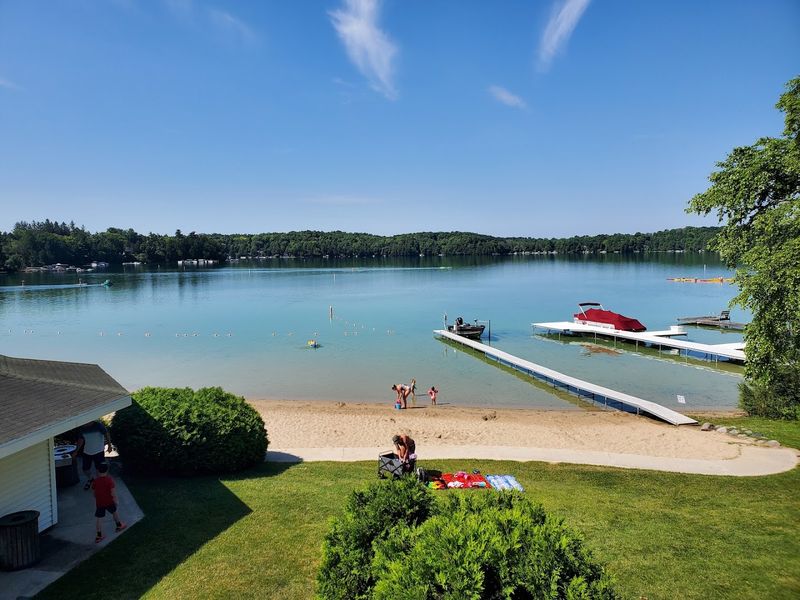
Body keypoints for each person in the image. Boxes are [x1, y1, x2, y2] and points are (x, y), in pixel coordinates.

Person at [91, 462, 126, 543]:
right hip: (109, 501)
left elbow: (93, 491)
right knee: (114, 512)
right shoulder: (109, 480)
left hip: (99, 503)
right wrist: (116, 500)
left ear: (97, 471)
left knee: (99, 518)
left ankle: (98, 535)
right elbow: (113, 492)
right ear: (107, 471)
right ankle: (119, 525)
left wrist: (96, 496)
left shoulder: (95, 481)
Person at [76, 420, 111, 490]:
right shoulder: (82, 428)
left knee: (99, 470)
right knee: (85, 469)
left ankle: (99, 485)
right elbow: (81, 440)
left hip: (99, 451)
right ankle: (91, 479)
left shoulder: (99, 426)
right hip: (87, 452)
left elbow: (106, 434)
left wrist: (109, 446)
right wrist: (76, 451)